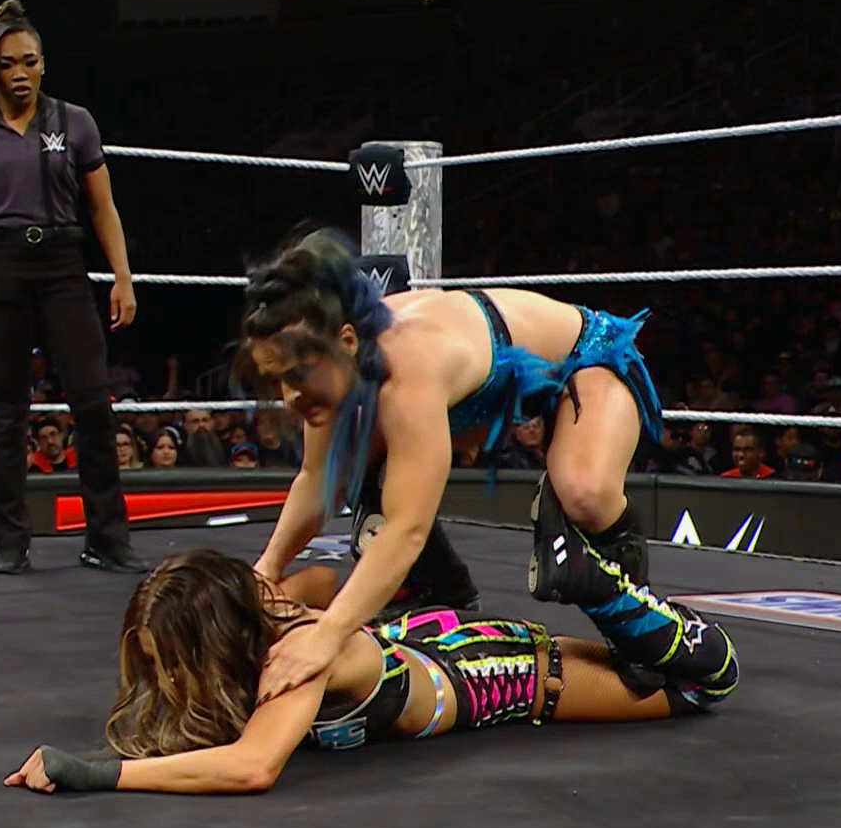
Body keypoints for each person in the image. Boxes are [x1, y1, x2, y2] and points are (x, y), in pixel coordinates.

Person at [237, 231, 735, 710]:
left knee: (583, 493)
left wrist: (327, 635)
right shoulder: (332, 364)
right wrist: (264, 574)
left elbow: (407, 529)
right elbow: (315, 478)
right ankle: (438, 593)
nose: (289, 396)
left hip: (585, 359)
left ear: (346, 341)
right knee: (356, 456)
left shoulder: (408, 373)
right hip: (491, 391)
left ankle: (637, 614)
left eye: (297, 375)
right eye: (276, 379)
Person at [4, 549, 725, 795]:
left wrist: (99, 773)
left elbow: (253, 766)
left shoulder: (295, 658)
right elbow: (317, 577)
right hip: (412, 638)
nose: (163, 683)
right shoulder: (265, 621)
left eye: (171, 663)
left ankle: (609, 597)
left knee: (695, 688)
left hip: (497, 673)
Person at [0, 0, 145, 577]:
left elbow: (103, 207)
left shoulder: (75, 122)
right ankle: (10, 542)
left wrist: (123, 277)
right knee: (7, 407)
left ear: (44, 64)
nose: (21, 73)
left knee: (92, 401)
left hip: (62, 263)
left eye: (30, 61)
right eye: (9, 63)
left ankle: (107, 538)